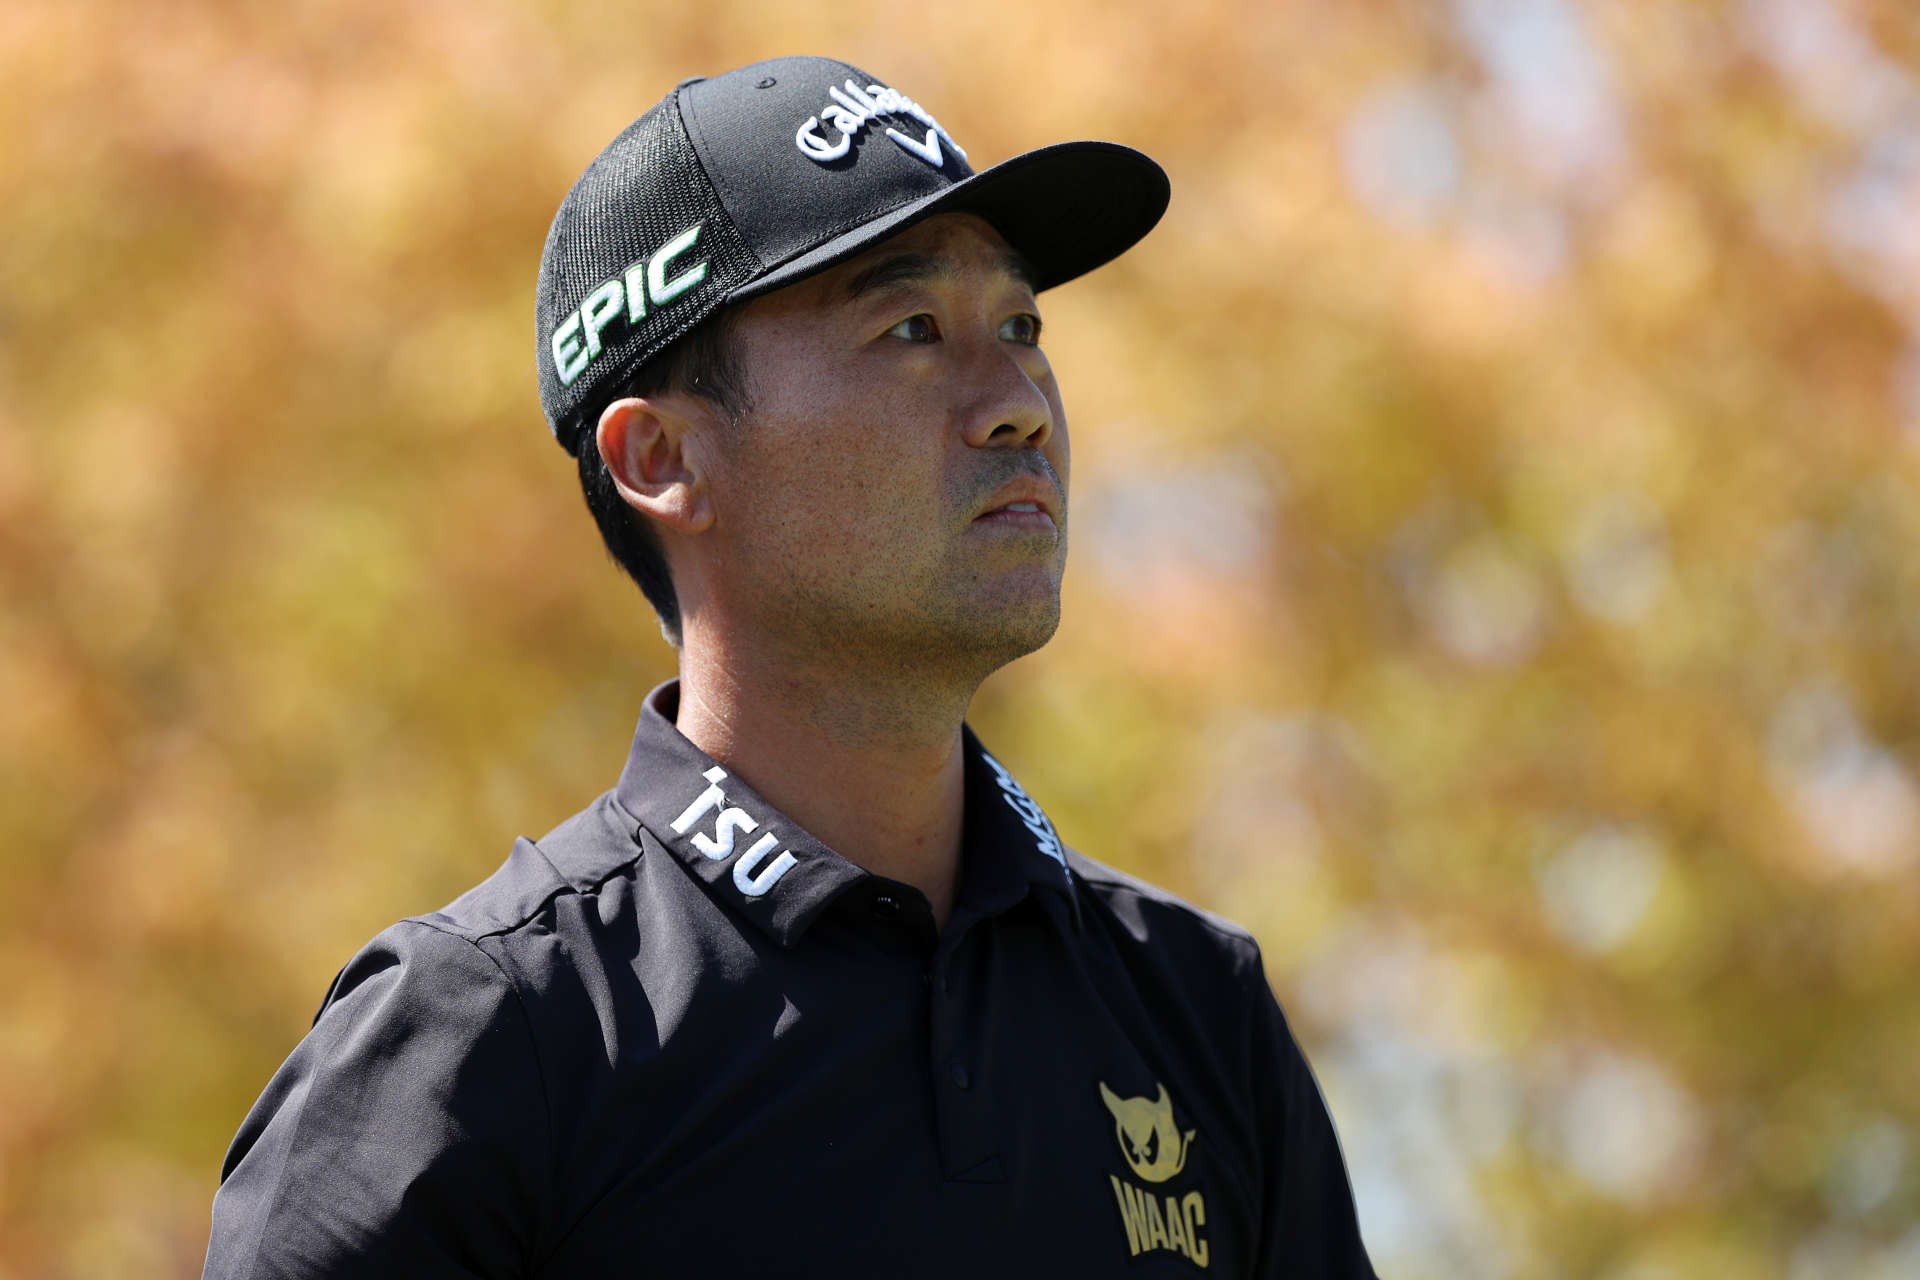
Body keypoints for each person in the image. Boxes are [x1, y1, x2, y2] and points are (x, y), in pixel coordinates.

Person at [202, 55, 1377, 1278]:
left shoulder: (1197, 1007)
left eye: (1022, 326)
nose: (1019, 401)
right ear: (663, 456)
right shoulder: (484, 1036)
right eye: (912, 328)